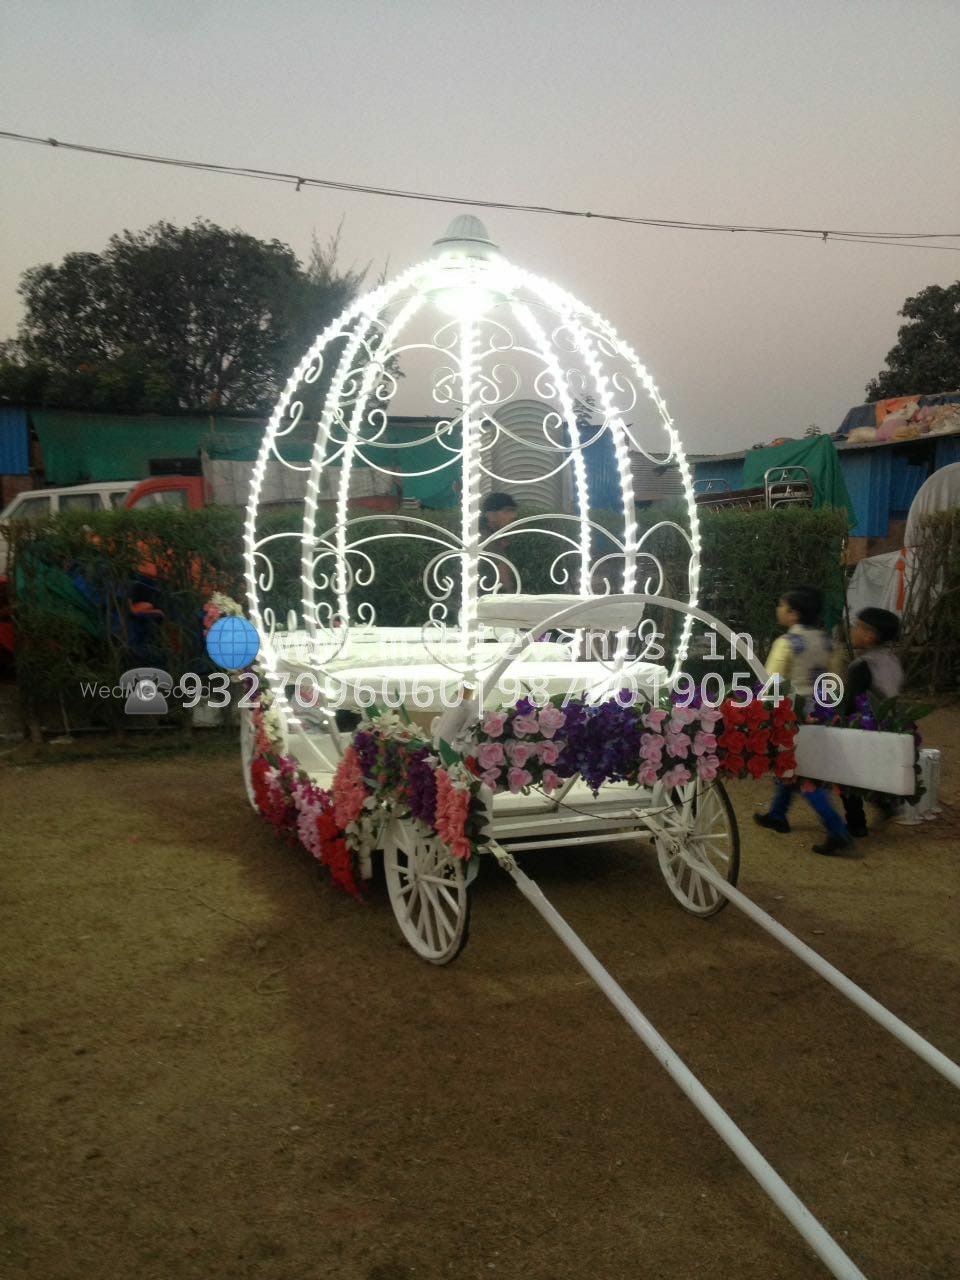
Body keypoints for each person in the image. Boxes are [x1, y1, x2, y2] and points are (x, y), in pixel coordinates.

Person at [754, 585, 852, 856]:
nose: (778, 610)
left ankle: (837, 830)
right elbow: (837, 680)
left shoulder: (786, 644)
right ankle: (777, 814)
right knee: (795, 766)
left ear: (793, 614)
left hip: (792, 714)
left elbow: (770, 681)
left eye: (782, 605)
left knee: (803, 774)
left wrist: (762, 712)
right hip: (821, 712)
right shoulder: (827, 641)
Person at [839, 607, 904, 837]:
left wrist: (838, 720)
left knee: (845, 776)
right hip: (890, 724)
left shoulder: (862, 666)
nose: (852, 631)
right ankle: (886, 805)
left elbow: (852, 700)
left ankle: (856, 824)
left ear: (870, 636)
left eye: (857, 627)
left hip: (863, 726)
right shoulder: (892, 660)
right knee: (867, 772)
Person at [479, 492, 519, 593]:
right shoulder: (485, 540)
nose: (514, 516)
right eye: (507, 511)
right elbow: (504, 578)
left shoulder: (495, 536)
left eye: (513, 511)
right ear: (491, 515)